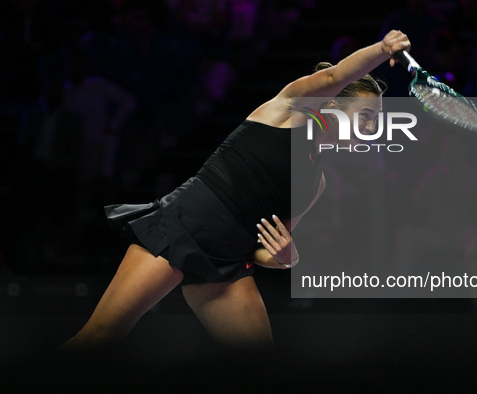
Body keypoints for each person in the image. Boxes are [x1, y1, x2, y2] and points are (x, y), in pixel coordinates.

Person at [61, 30, 411, 350]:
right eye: (366, 116)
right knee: (99, 337)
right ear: (332, 104)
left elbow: (267, 249)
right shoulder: (289, 110)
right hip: (184, 226)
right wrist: (382, 49)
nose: (371, 127)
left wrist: (287, 258)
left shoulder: (317, 182)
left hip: (228, 263)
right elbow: (337, 76)